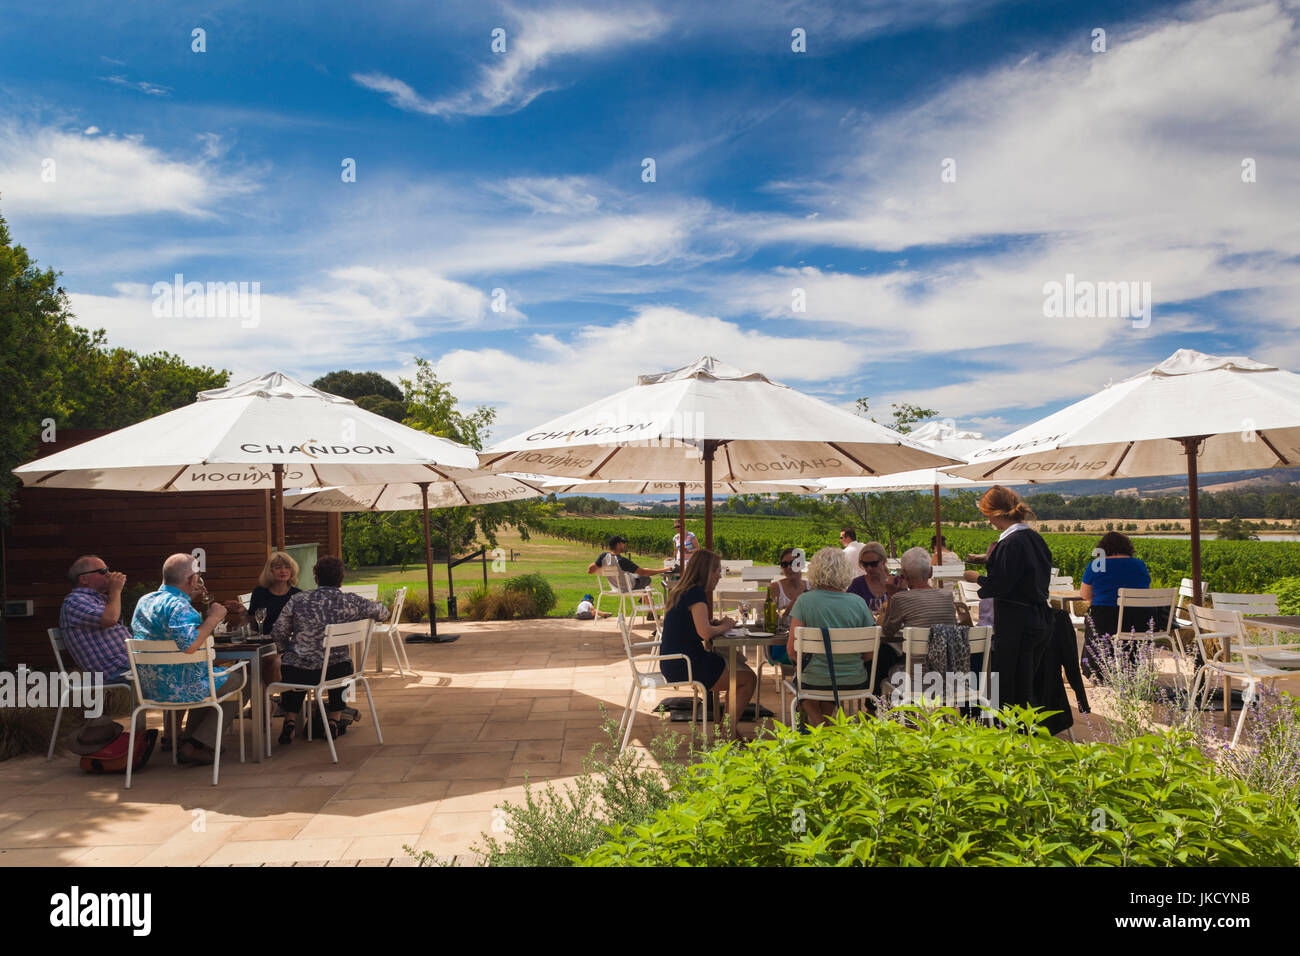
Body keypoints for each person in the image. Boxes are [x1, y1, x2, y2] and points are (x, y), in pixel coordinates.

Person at [131, 554, 239, 765]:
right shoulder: (179, 607)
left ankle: (191, 741)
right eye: (197, 576)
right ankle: (198, 744)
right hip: (182, 688)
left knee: (212, 678)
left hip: (150, 688)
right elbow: (190, 646)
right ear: (191, 580)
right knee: (239, 680)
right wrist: (213, 618)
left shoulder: (144, 601)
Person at [271, 556, 388, 745]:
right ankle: (334, 718)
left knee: (293, 665)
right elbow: (383, 612)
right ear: (341, 579)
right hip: (335, 673)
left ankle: (290, 719)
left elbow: (278, 631)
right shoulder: (350, 601)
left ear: (316, 578)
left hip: (297, 673)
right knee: (344, 666)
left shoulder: (298, 599)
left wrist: (285, 650)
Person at [962, 486, 1053, 712]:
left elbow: (1000, 585)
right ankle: (1026, 733)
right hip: (1040, 616)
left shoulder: (1011, 543)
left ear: (994, 514)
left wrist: (978, 579)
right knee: (1027, 682)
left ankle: (1014, 735)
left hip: (1016, 622)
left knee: (1012, 685)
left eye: (987, 516)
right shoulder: (1035, 539)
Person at [659, 549, 756, 734]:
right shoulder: (696, 593)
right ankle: (726, 733)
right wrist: (725, 625)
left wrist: (714, 624)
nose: (719, 575)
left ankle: (727, 731)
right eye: (717, 571)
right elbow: (704, 633)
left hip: (674, 661)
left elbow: (693, 625)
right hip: (686, 663)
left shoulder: (682, 590)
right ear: (706, 571)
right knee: (748, 679)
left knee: (737, 673)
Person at [787, 547, 876, 726]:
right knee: (825, 681)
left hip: (814, 681)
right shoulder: (858, 603)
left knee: (803, 682)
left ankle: (824, 727)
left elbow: (791, 651)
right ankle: (826, 726)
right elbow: (870, 654)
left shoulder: (805, 601)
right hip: (854, 680)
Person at [59, 555, 131, 681]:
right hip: (115, 671)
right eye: (103, 571)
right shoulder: (74, 600)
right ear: (84, 579)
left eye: (108, 570)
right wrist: (115, 591)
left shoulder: (99, 599)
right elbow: (110, 619)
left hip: (128, 663)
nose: (109, 574)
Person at [1080, 532, 1154, 637]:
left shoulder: (1097, 564)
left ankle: (1098, 652)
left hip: (1105, 620)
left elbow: (1085, 595)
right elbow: (1145, 591)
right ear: (1127, 547)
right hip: (1139, 620)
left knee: (1094, 621)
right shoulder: (1140, 565)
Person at [765, 547, 809, 665]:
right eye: (785, 564)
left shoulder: (811, 586)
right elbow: (771, 624)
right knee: (808, 659)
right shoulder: (775, 588)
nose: (789, 567)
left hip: (807, 642)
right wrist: (789, 609)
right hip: (781, 645)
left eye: (794, 563)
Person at [247, 551, 302, 634]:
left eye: (287, 567)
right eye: (278, 567)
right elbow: (252, 625)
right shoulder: (259, 592)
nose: (283, 571)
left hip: (288, 642)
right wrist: (243, 614)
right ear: (270, 571)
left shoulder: (297, 594)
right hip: (263, 641)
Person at [587, 534, 666, 591]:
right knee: (645, 578)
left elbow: (590, 571)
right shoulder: (622, 561)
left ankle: (647, 606)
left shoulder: (603, 556)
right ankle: (649, 609)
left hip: (615, 588)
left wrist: (601, 569)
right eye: (623, 543)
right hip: (627, 587)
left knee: (640, 578)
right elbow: (643, 572)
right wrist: (664, 570)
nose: (624, 545)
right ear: (618, 544)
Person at [847, 542, 890, 614]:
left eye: (873, 564)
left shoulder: (896, 583)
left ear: (884, 561)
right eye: (865, 564)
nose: (869, 568)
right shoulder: (857, 584)